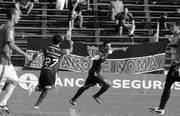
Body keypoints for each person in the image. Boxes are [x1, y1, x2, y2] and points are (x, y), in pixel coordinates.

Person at [69, 41, 128, 106]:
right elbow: (95, 57)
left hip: (93, 73)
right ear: (103, 47)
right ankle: (96, 95)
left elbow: (113, 49)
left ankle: (73, 99)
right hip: (95, 74)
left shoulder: (108, 51)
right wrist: (89, 58)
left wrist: (122, 48)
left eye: (110, 46)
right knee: (108, 84)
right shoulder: (100, 54)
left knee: (85, 87)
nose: (109, 48)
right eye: (107, 46)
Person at [29, 32, 73, 109]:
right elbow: (70, 51)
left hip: (43, 70)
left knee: (44, 87)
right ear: (60, 42)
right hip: (51, 72)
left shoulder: (46, 48)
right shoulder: (61, 51)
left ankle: (36, 89)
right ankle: (36, 104)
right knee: (48, 89)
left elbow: (37, 53)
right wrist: (71, 43)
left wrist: (31, 61)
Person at [0, 8, 33, 113]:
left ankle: (3, 103)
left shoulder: (2, 26)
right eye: (18, 15)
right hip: (2, 62)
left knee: (14, 80)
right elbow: (11, 44)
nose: (19, 17)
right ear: (13, 16)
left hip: (6, 62)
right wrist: (25, 54)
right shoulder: (9, 28)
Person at [149, 22, 180, 115]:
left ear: (178, 27)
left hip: (178, 65)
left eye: (173, 26)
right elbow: (175, 46)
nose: (171, 28)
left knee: (168, 85)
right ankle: (161, 108)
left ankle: (161, 108)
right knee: (167, 85)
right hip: (175, 65)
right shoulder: (174, 36)